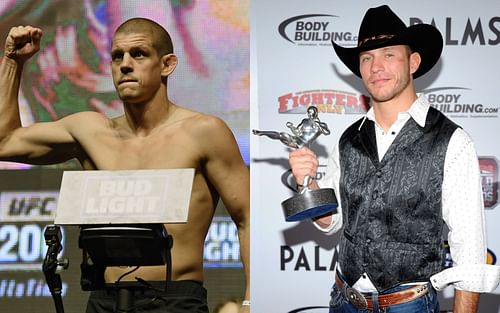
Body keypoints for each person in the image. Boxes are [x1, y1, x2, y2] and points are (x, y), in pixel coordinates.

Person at [0, 18, 249, 313]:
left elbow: (248, 216)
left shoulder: (203, 132)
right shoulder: (90, 131)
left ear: (167, 64)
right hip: (105, 300)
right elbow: (6, 142)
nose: (125, 65)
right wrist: (12, 62)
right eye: (117, 56)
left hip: (175, 300)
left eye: (139, 54)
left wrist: (250, 301)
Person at [288, 5, 499, 313]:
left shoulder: (451, 140)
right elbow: (331, 222)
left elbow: (469, 251)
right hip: (343, 300)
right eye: (366, 58)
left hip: (410, 306)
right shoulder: (348, 139)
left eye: (388, 54)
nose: (376, 67)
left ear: (413, 62)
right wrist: (307, 182)